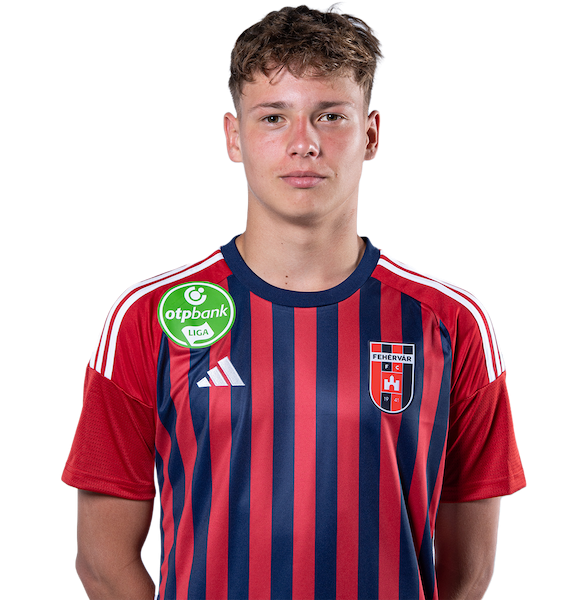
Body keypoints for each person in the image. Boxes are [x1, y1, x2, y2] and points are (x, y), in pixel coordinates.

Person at [60, 3, 527, 599]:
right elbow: (103, 562)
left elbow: (468, 573)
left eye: (330, 116)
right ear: (233, 136)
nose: (304, 143)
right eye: (274, 117)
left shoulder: (452, 322)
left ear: (372, 134)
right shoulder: (148, 317)